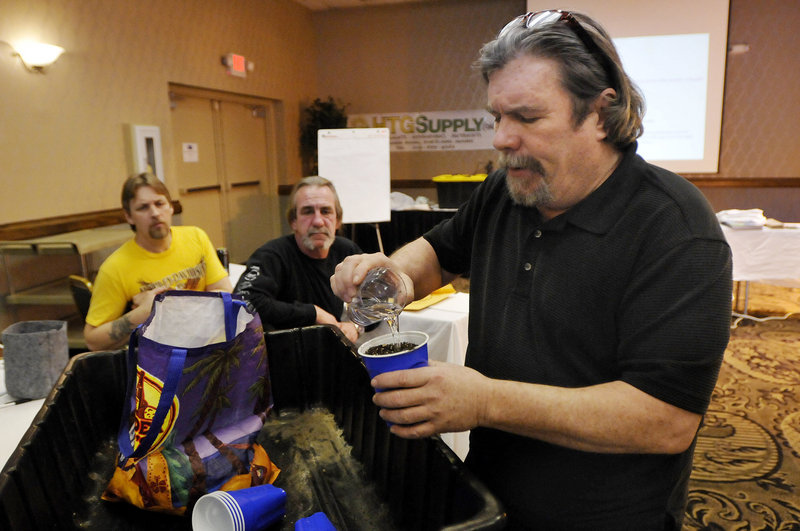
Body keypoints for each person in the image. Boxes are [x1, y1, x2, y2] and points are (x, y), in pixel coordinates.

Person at [330, 11, 732, 530]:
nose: (500, 138)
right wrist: (390, 277)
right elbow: (434, 254)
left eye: (527, 117)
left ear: (601, 113)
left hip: (605, 516)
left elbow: (665, 420)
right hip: (489, 494)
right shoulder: (508, 190)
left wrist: (487, 401)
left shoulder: (676, 229)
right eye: (497, 116)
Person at [84, 173, 231, 351]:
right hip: (157, 359)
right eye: (143, 208)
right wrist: (142, 314)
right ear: (129, 217)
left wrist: (170, 304)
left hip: (206, 346)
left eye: (159, 204)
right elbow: (92, 340)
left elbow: (226, 294)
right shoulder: (115, 267)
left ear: (170, 207)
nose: (154, 213)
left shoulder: (196, 237)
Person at [234, 176, 361, 342]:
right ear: (293, 221)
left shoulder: (347, 251)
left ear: (337, 220)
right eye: (308, 212)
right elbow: (242, 302)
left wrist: (356, 325)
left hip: (330, 349)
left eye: (326, 211)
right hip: (286, 353)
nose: (318, 221)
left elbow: (377, 300)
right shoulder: (271, 255)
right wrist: (313, 313)